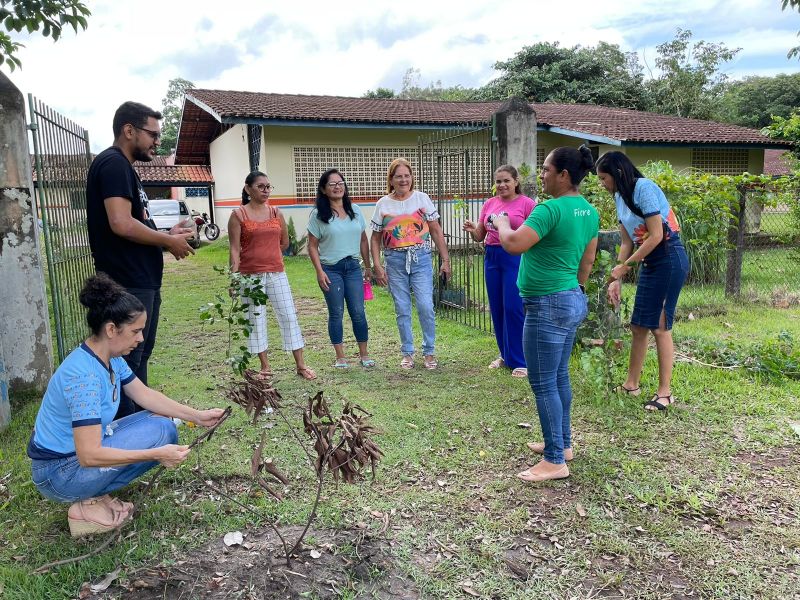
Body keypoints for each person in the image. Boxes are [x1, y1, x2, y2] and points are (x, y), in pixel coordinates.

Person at [28, 274, 225, 537]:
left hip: (75, 459)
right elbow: (89, 455)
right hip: (59, 474)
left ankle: (96, 495)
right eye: (135, 331)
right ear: (111, 329)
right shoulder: (84, 378)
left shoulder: (108, 357)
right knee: (160, 438)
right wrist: (156, 454)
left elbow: (144, 395)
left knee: (163, 425)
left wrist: (197, 416)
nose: (141, 338)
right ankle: (87, 502)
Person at [86, 101, 196, 420]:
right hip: (127, 283)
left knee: (138, 357)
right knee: (126, 364)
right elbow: (120, 223)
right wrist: (168, 241)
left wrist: (167, 233)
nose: (157, 142)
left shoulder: (124, 167)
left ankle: (138, 428)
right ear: (129, 130)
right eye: (153, 134)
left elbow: (133, 223)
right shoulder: (114, 164)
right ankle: (123, 434)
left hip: (139, 281)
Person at [495, 146, 598, 483]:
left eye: (546, 170)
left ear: (563, 175)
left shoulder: (549, 209)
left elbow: (513, 244)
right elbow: (587, 262)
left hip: (547, 305)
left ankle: (554, 460)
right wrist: (572, 291)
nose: (541, 176)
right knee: (558, 377)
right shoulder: (589, 211)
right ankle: (562, 444)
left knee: (542, 383)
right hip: (571, 298)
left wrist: (501, 222)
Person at [595, 151, 689, 412]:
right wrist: (617, 279)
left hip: (669, 258)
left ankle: (665, 393)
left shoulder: (644, 188)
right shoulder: (620, 197)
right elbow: (627, 241)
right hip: (648, 261)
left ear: (618, 173)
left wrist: (625, 267)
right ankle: (631, 385)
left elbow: (656, 235)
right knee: (638, 326)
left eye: (603, 178)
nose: (602, 184)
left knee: (660, 326)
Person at [228, 171, 316, 380]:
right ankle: (265, 367)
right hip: (249, 276)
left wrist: (269, 254)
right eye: (261, 186)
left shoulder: (276, 212)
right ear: (248, 189)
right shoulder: (238, 215)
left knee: (289, 316)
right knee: (255, 319)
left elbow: (284, 242)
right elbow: (234, 249)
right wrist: (234, 279)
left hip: (277, 272)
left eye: (268, 187)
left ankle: (301, 365)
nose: (266, 190)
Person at [370, 158, 451, 370]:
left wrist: (445, 260)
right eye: (399, 176)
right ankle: (407, 352)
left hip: (420, 258)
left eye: (407, 175)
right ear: (391, 179)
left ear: (412, 178)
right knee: (402, 308)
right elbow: (375, 238)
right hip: (394, 261)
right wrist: (377, 265)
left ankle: (429, 352)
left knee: (425, 305)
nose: (403, 180)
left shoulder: (422, 199)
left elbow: (436, 230)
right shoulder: (383, 204)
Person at [463, 165, 536, 378]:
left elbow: (534, 233)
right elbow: (480, 235)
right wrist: (472, 230)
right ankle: (505, 355)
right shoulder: (490, 203)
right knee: (497, 308)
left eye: (506, 181)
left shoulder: (527, 204)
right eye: (498, 181)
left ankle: (521, 361)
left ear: (516, 181)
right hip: (492, 257)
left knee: (513, 307)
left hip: (514, 257)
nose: (502, 185)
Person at [307, 169, 375, 368]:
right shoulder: (318, 215)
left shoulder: (355, 210)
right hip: (331, 270)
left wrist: (368, 266)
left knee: (358, 312)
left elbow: (363, 240)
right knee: (336, 312)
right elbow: (312, 246)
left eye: (340, 183)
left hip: (353, 268)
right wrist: (319, 272)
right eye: (332, 184)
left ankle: (364, 355)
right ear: (323, 189)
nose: (337, 187)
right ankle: (340, 357)